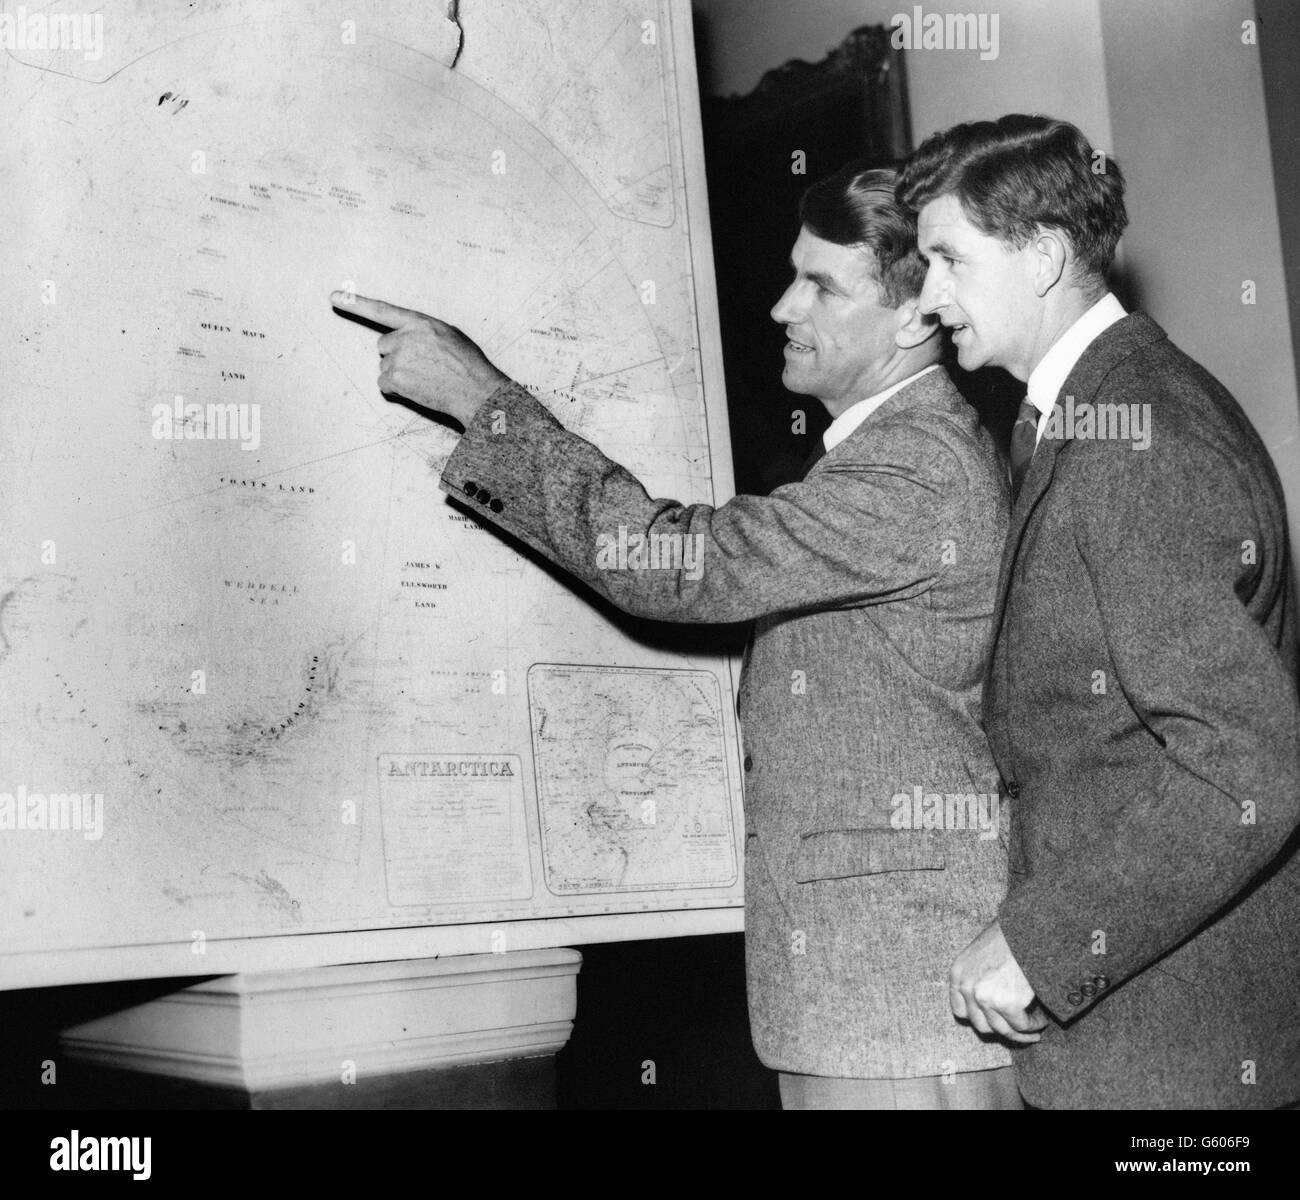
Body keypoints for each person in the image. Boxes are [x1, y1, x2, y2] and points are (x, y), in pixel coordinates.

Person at [330, 164, 1016, 1109]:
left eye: (821, 284)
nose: (782, 305)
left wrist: (484, 403)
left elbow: (671, 565)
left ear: (914, 318)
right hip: (872, 990)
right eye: (791, 273)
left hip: (894, 1002)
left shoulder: (917, 465)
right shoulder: (881, 454)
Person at [899, 114, 1300, 1109]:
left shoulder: (1135, 435)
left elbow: (1245, 766)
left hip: (1169, 1058)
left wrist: (1045, 940)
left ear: (1040, 256)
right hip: (1145, 1041)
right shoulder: (1092, 413)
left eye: (946, 258)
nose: (926, 298)